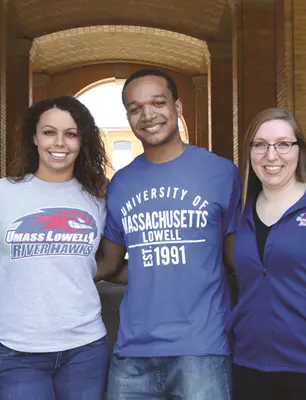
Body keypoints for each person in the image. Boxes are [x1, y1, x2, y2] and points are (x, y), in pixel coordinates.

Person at [93, 68, 240, 400]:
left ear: (177, 107)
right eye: (135, 108)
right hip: (132, 352)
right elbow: (111, 264)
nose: (148, 115)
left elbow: (235, 258)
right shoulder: (122, 184)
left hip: (201, 350)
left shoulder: (221, 173)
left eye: (158, 102)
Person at [0, 95, 112, 399]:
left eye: (71, 134)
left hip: (85, 348)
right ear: (34, 137)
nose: (59, 142)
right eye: (49, 132)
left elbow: (107, 260)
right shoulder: (0, 193)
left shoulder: (98, 197)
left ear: (82, 141)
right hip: (18, 350)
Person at [228, 107, 306, 399]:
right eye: (260, 145)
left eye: (283, 144)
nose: (272, 156)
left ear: (300, 149)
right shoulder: (239, 209)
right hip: (250, 365)